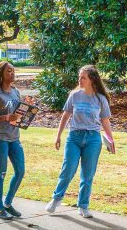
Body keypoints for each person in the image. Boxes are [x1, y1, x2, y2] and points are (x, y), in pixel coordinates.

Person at [45, 64, 115, 218]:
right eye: (79, 77)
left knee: (88, 174)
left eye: (83, 77)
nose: (79, 80)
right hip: (74, 137)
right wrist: (58, 136)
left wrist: (111, 140)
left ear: (92, 79)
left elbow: (105, 121)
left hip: (93, 139)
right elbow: (65, 116)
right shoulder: (74, 95)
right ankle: (56, 199)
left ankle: (83, 206)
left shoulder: (101, 99)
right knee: (68, 169)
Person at [0, 61, 33, 220]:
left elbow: (18, 116)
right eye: (9, 71)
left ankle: (7, 204)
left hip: (14, 138)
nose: (12, 73)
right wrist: (4, 117)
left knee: (20, 172)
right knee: (2, 173)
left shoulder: (16, 92)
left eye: (13, 71)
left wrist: (28, 108)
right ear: (1, 75)